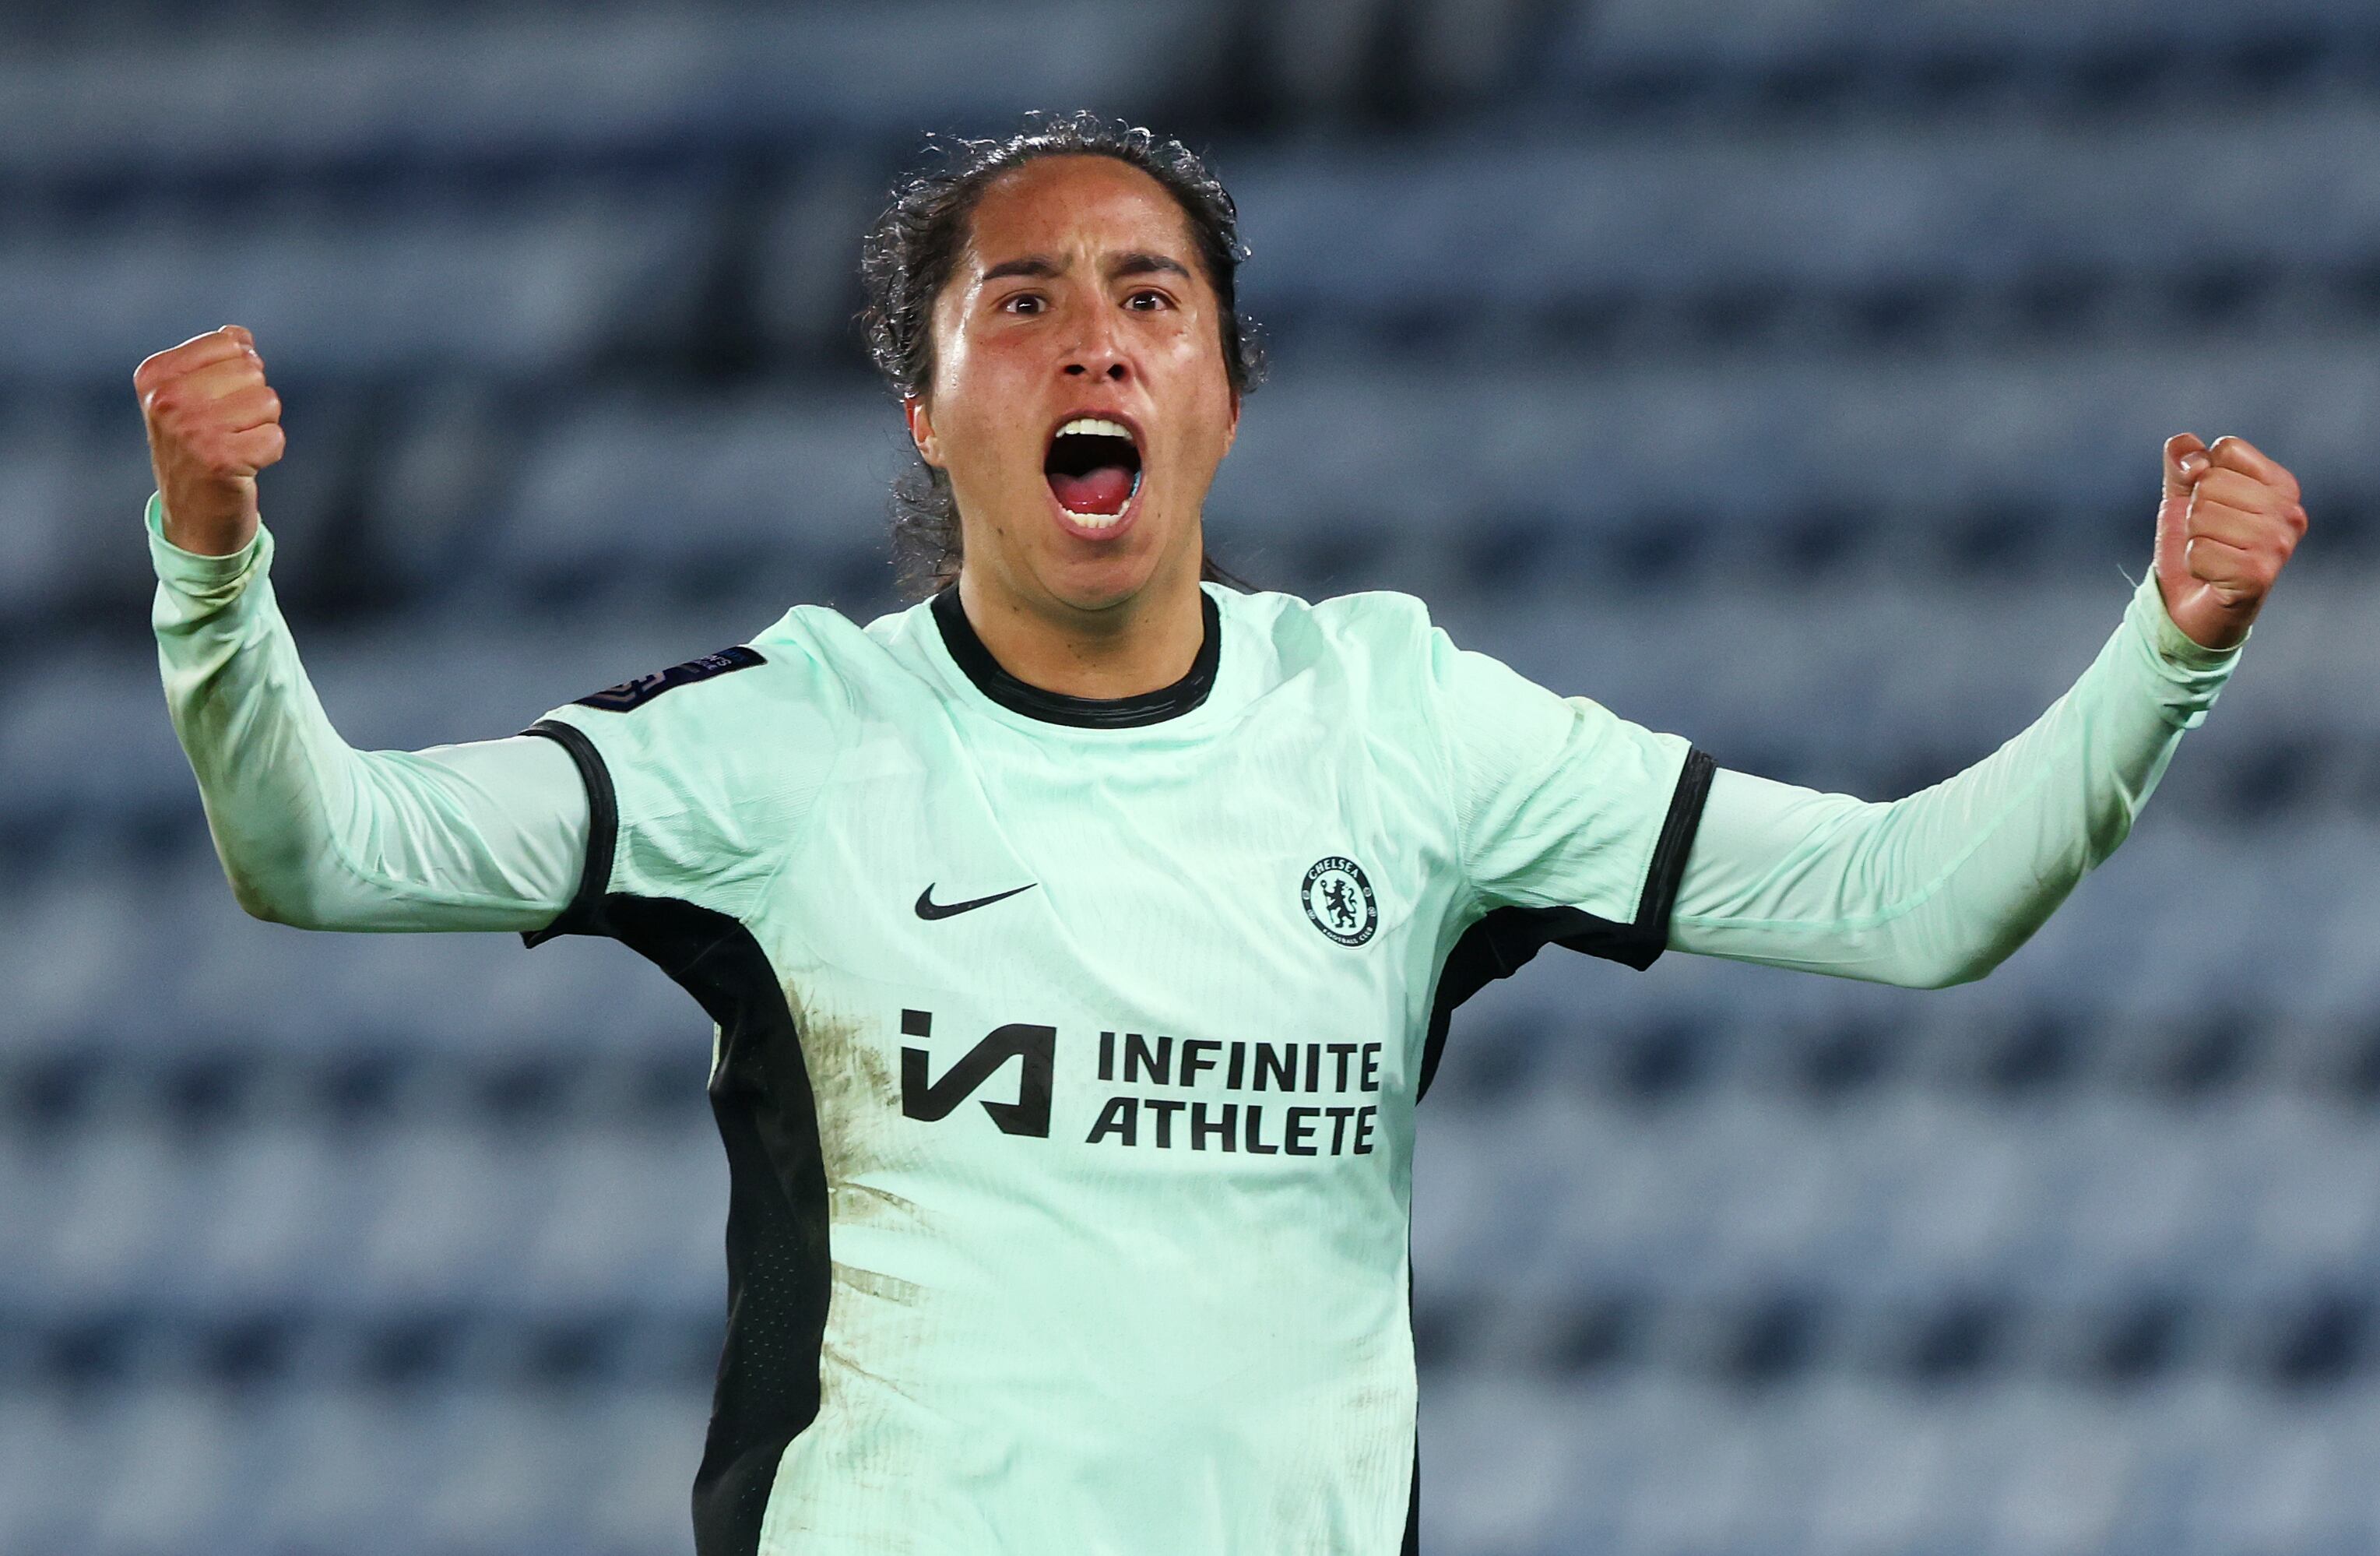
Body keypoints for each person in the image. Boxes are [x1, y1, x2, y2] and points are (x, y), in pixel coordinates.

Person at [137, 114, 2306, 1556]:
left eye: (1150, 297)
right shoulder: (779, 744)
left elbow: (1904, 906)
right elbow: (324, 851)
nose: (1095, 334)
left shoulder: (1401, 728)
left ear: (1226, 394)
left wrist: (2165, 649)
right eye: (1023, 302)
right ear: (928, 410)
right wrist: (216, 568)